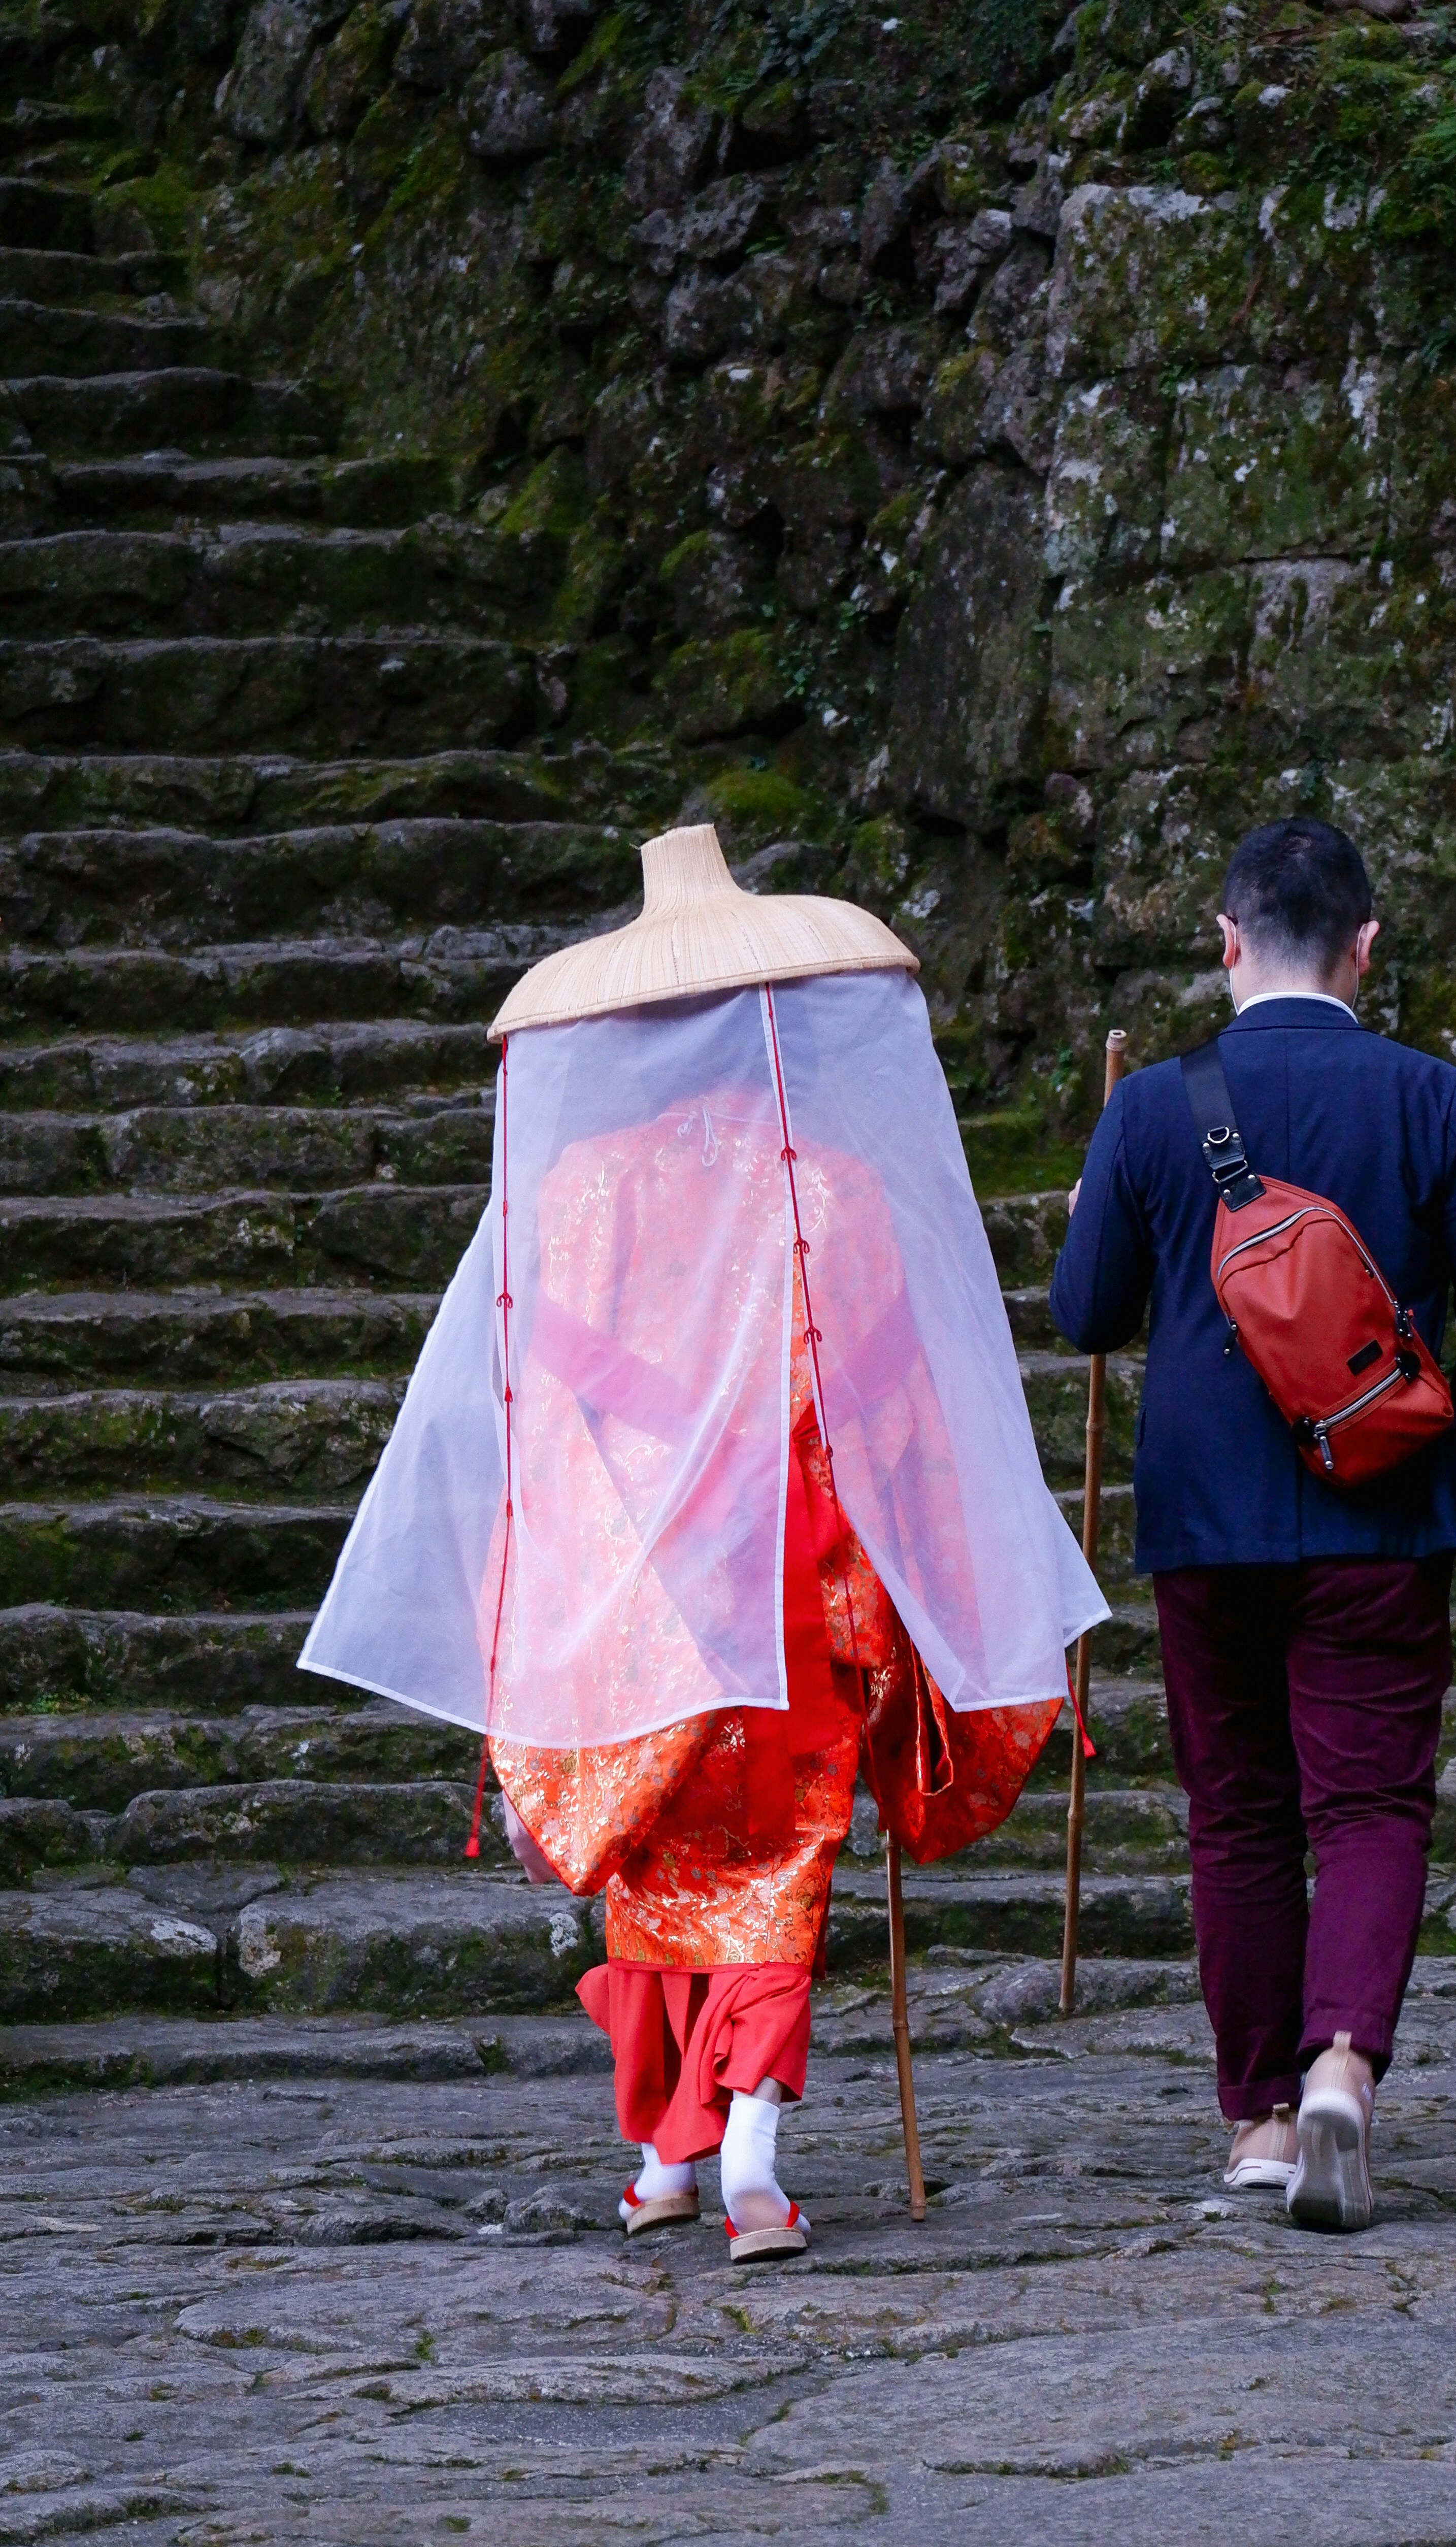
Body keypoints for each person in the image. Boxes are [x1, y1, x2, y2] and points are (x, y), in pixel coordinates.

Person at [303, 825, 1106, 2261]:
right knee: (778, 1857)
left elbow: (540, 1400)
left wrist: (555, 1570)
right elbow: (891, 1401)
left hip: (631, 1583)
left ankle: (669, 2154)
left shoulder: (575, 1188)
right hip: (794, 1580)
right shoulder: (831, 1185)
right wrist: (927, 1561)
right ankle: (743, 2147)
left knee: (659, 1872)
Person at [1049, 816, 1456, 2232]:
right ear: (1367, 948)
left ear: (1223, 944)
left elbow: (1085, 1313)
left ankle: (1263, 2116)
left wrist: (1099, 1207)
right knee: (1372, 1800)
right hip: (1382, 1504)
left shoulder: (1151, 1107)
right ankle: (1343, 2063)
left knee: (1240, 1812)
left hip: (1204, 1521)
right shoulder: (1433, 1094)